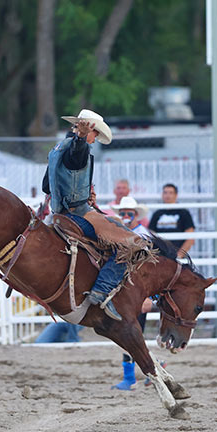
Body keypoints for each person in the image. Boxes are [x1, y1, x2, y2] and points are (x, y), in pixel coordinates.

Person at [42, 108, 152, 321]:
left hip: (59, 213)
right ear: (88, 131)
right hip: (79, 214)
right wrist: (81, 139)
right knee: (134, 243)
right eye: (95, 135)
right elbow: (78, 154)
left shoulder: (56, 150)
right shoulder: (78, 148)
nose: (95, 140)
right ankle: (101, 290)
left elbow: (47, 186)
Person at [109, 196, 156, 389]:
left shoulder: (141, 235)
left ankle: (131, 377)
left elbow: (151, 268)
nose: (126, 216)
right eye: (123, 213)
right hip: (129, 291)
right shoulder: (126, 233)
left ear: (136, 215)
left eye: (129, 213)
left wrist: (149, 296)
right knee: (132, 333)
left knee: (130, 333)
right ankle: (152, 367)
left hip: (138, 292)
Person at [148, 183, 195, 258]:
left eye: (171, 193)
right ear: (162, 195)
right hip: (160, 256)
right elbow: (150, 234)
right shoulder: (157, 214)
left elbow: (190, 238)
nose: (168, 195)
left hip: (178, 255)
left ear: (176, 195)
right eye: (165, 192)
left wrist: (179, 255)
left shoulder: (184, 213)